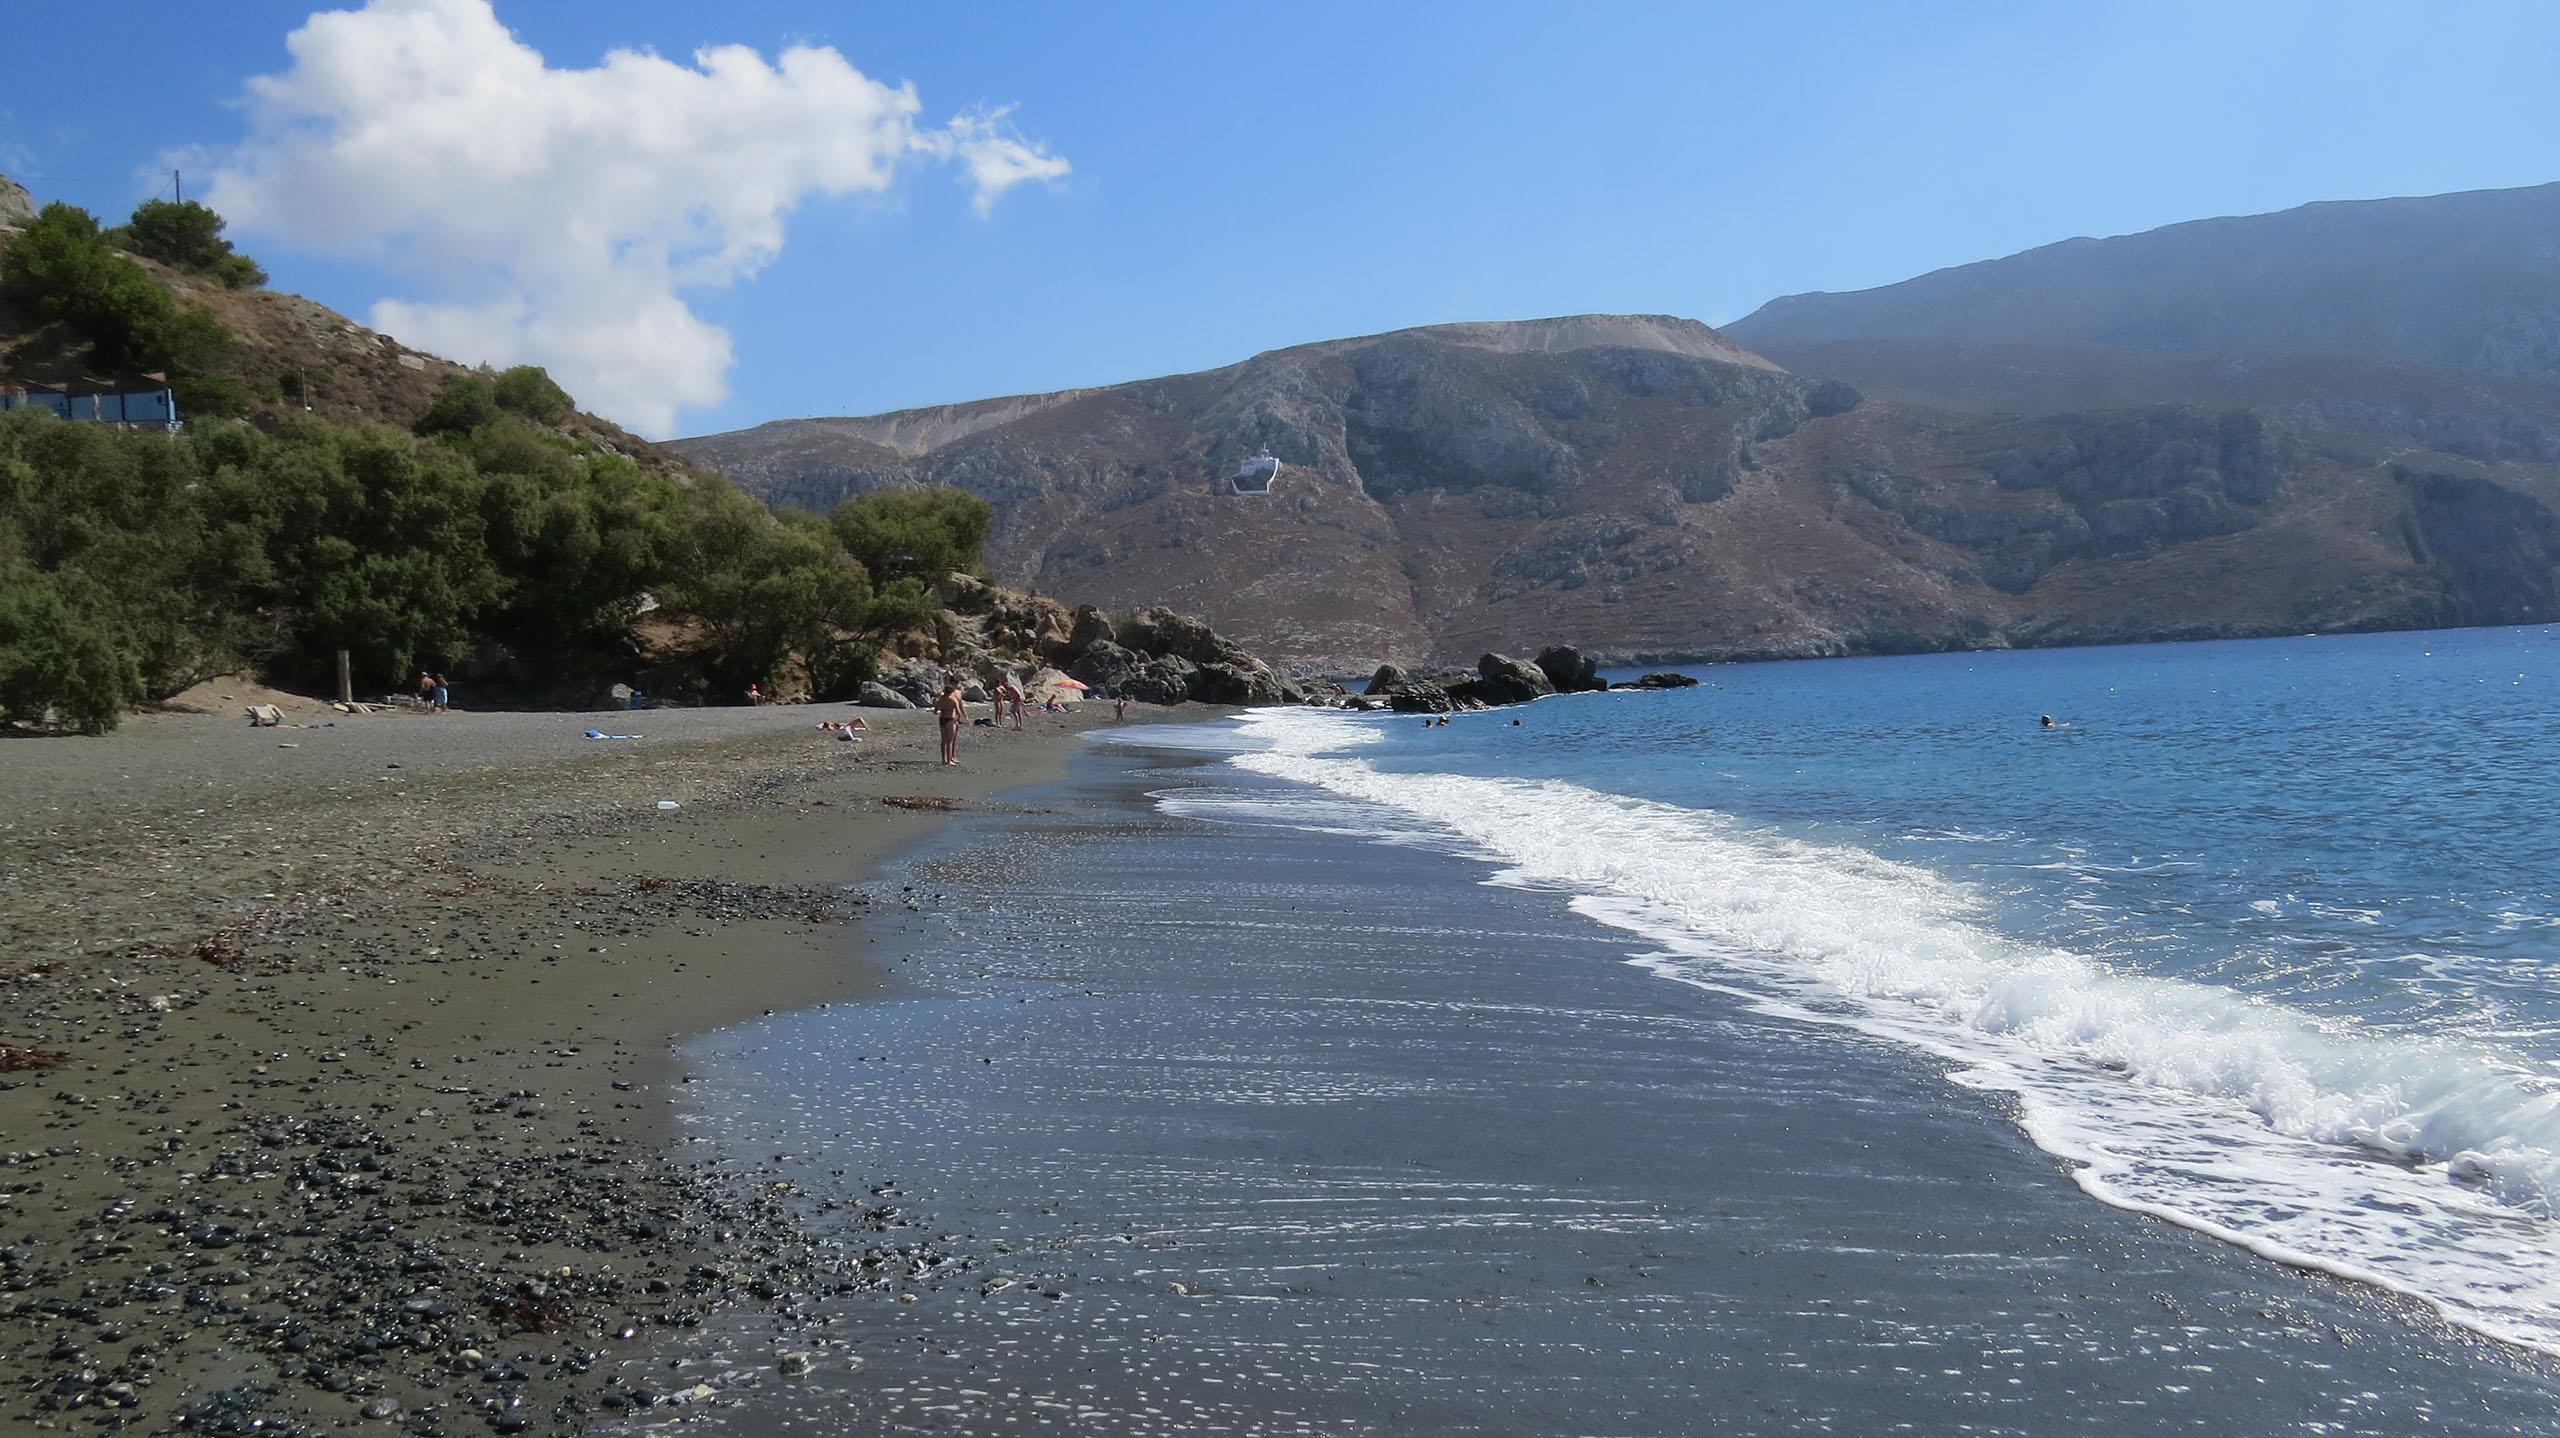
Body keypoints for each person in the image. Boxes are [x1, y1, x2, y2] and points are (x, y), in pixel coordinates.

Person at [934, 679, 966, 766]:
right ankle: (949, 760)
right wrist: (958, 719)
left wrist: (943, 710)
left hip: (942, 719)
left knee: (943, 740)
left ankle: (943, 759)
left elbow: (936, 711)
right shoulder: (952, 700)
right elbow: (958, 712)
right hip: (950, 719)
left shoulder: (940, 700)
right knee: (950, 741)